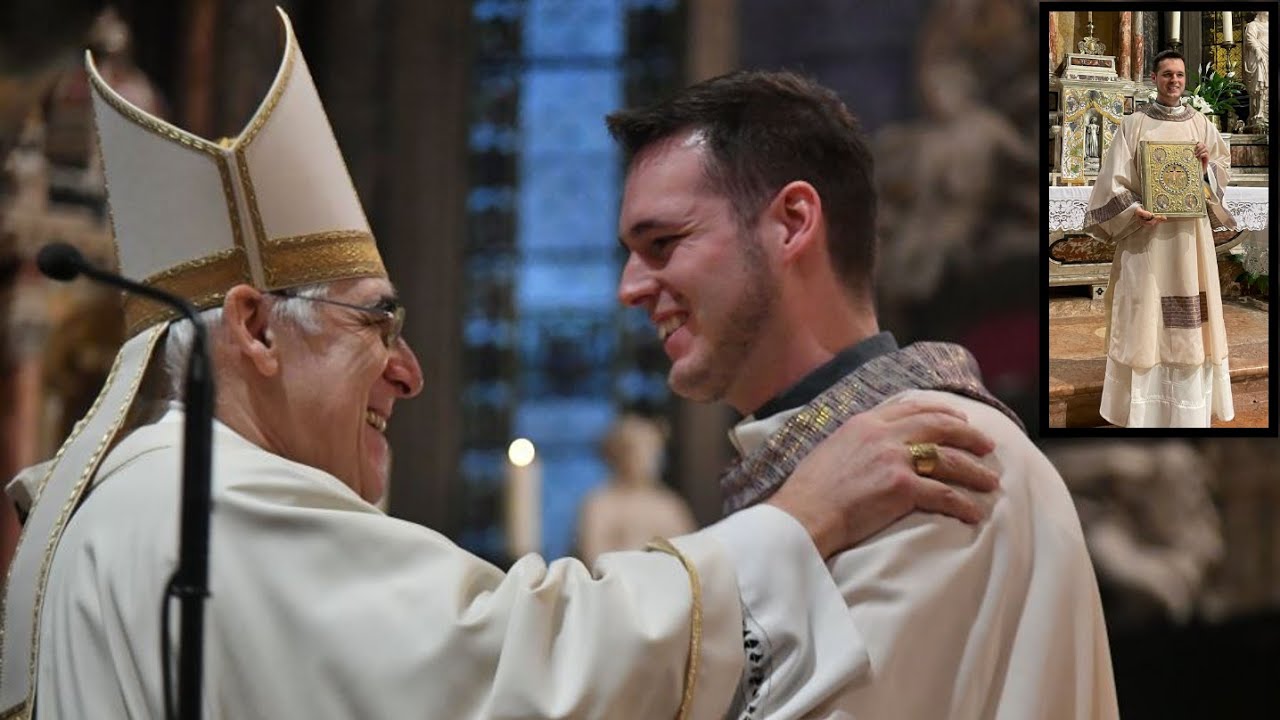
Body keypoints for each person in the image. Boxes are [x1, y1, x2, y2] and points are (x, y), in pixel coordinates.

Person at [0, 11, 1003, 719]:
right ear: (256, 331)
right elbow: (519, 669)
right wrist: (801, 520)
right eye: (376, 328)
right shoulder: (207, 507)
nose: (412, 376)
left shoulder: (125, 510)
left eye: (662, 244)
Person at [609, 70, 1117, 718]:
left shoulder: (928, 459)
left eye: (663, 243)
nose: (629, 287)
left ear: (792, 223)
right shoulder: (841, 469)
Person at [1084, 50, 1236, 428]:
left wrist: (1205, 169)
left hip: (1189, 242)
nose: (1174, 81)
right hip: (1146, 237)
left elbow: (1220, 174)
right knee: (1145, 314)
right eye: (1167, 74)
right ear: (1154, 78)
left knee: (1189, 314)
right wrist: (1135, 210)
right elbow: (1112, 182)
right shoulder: (1133, 125)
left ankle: (1186, 413)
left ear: (1186, 80)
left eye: (1180, 75)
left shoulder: (1201, 124)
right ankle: (1141, 413)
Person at [576, 414, 696, 566]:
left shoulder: (669, 505)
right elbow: (594, 556)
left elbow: (688, 556)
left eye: (653, 449)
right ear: (619, 453)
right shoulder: (600, 503)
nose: (647, 458)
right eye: (639, 448)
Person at [1244, 11, 1269, 130]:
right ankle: (1259, 113)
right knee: (1260, 85)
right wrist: (1258, 49)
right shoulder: (1252, 25)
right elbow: (1250, 38)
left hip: (1268, 56)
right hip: (1259, 57)